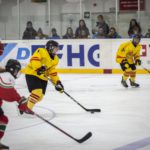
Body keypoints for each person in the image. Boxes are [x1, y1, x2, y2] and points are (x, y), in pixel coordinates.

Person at [19, 40, 64, 113]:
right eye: (55, 48)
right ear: (50, 48)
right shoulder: (41, 51)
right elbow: (34, 59)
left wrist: (57, 82)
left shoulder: (56, 59)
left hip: (43, 76)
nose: (57, 50)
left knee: (40, 97)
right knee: (37, 92)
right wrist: (38, 68)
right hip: (32, 73)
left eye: (57, 48)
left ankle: (25, 103)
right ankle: (27, 109)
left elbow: (52, 71)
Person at [0, 59, 30, 150]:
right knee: (2, 119)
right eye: (18, 70)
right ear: (14, 70)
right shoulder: (7, 76)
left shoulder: (4, 75)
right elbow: (8, 93)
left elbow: (9, 93)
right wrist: (20, 101)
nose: (18, 73)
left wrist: (20, 100)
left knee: (3, 119)